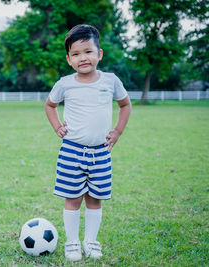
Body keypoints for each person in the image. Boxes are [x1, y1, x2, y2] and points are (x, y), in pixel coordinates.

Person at [45, 24, 131, 261]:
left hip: (101, 152)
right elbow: (50, 105)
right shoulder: (65, 83)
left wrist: (117, 131)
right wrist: (57, 126)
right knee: (72, 198)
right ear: (69, 59)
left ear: (99, 53)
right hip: (71, 150)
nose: (83, 58)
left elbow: (125, 105)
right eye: (76, 54)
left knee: (95, 199)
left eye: (88, 51)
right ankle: (72, 243)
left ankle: (91, 241)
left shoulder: (110, 81)